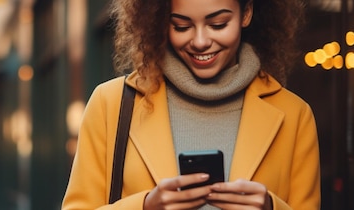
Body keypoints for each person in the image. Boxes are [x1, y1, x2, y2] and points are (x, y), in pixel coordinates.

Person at [62, 0, 320, 209]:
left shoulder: (294, 116)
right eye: (181, 26)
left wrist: (270, 207)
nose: (199, 41)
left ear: (246, 13)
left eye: (218, 24)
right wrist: (145, 207)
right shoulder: (111, 104)